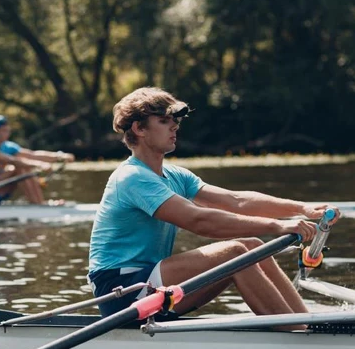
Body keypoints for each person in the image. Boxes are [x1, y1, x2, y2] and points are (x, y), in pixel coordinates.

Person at [87, 87, 341, 322]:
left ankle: (304, 323)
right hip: (120, 291)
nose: (174, 127)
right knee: (235, 253)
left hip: (151, 283)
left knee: (254, 246)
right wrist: (279, 226)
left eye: (175, 121)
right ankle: (298, 337)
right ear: (139, 129)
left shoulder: (175, 175)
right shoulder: (132, 177)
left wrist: (302, 209)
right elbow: (200, 221)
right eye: (164, 121)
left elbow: (236, 201)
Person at [0, 114, 75, 204]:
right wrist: (39, 165)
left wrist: (60, 156)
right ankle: (38, 205)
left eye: (8, 131)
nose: (7, 134)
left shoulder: (8, 146)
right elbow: (11, 160)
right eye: (3, 131)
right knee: (17, 167)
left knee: (23, 167)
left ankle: (39, 203)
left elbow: (32, 154)